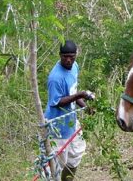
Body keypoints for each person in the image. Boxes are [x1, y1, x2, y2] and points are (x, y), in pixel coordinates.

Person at [44, 40, 94, 181]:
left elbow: (72, 91)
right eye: (65, 56)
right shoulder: (55, 78)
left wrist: (84, 106)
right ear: (60, 55)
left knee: (76, 155)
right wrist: (79, 95)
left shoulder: (74, 67)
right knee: (55, 166)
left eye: (71, 56)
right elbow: (56, 102)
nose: (68, 60)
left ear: (76, 55)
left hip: (71, 122)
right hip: (57, 127)